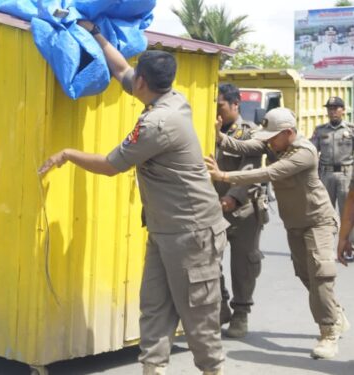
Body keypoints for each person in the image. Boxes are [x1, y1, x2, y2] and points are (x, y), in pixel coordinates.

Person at [39, 20, 229, 375]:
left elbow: (111, 165)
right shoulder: (173, 98)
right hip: (164, 230)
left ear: (145, 83)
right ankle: (152, 369)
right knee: (154, 308)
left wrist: (66, 153)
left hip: (192, 233)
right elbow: (121, 70)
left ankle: (213, 370)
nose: (132, 79)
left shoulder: (158, 124)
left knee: (198, 315)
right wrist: (95, 33)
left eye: (137, 77)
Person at [205, 107, 350, 359]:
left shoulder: (303, 153)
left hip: (318, 221)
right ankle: (335, 313)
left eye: (272, 136)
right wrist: (220, 138)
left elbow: (269, 173)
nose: (267, 141)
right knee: (306, 276)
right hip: (294, 222)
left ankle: (328, 333)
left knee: (320, 275)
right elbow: (246, 146)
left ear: (289, 133)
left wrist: (224, 176)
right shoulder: (275, 145)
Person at [213, 84, 267, 339]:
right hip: (212, 207)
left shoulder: (250, 133)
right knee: (209, 261)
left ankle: (241, 312)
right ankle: (221, 306)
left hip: (243, 210)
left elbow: (250, 169)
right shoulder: (206, 128)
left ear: (235, 105)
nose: (217, 110)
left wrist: (233, 197)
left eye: (221, 105)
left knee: (243, 264)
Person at [310, 96, 354, 217]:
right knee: (326, 213)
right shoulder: (320, 131)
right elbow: (311, 152)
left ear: (343, 110)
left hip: (346, 176)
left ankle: (348, 236)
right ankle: (328, 236)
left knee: (347, 214)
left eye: (335, 108)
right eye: (330, 109)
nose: (332, 111)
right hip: (326, 176)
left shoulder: (352, 130)